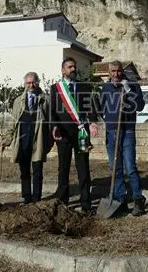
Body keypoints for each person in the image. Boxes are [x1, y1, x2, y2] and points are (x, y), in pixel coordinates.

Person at [49, 57, 100, 214]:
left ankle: (86, 204)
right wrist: (54, 127)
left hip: (81, 133)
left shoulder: (84, 86)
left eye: (74, 66)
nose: (73, 69)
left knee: (83, 168)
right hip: (63, 135)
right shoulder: (55, 88)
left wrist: (92, 122)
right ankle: (63, 203)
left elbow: (90, 107)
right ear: (63, 70)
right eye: (69, 67)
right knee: (63, 168)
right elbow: (52, 110)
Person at [99, 61, 146, 216]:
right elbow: (100, 107)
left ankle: (138, 199)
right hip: (112, 132)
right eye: (113, 71)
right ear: (109, 72)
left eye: (119, 71)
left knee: (130, 167)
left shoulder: (132, 85)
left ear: (122, 71)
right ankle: (120, 199)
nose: (116, 74)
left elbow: (139, 106)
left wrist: (128, 90)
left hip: (127, 131)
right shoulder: (105, 87)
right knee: (115, 167)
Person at [1, 72, 53, 204]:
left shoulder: (46, 100)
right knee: (24, 171)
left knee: (37, 171)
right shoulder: (18, 101)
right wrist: (7, 138)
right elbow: (13, 121)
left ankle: (37, 198)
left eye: (33, 82)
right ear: (24, 84)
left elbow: (51, 122)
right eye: (28, 83)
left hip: (39, 139)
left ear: (38, 82)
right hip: (23, 139)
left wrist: (50, 141)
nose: (31, 85)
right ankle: (27, 197)